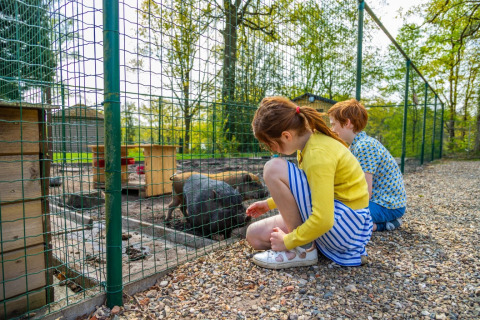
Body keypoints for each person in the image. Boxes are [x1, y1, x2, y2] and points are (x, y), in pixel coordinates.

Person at [245, 96, 373, 269]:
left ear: (286, 135)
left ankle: (303, 250)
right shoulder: (307, 146)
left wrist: (288, 241)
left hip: (345, 227)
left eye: (270, 144)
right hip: (343, 225)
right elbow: (312, 191)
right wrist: (269, 204)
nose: (272, 149)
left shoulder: (317, 153)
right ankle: (314, 245)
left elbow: (323, 220)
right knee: (255, 235)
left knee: (273, 168)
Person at [327, 99, 407, 232]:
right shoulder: (355, 146)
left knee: (339, 218)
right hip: (380, 202)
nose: (332, 129)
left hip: (387, 205)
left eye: (333, 124)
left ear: (347, 123)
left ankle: (381, 224)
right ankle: (381, 223)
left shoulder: (365, 146)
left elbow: (365, 192)